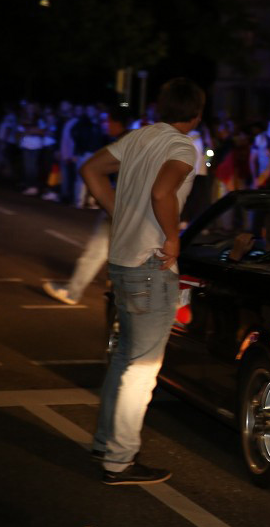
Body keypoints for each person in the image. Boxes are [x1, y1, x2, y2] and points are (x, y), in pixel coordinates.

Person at [80, 78, 203, 485]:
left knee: (124, 358)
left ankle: (105, 444)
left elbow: (91, 169)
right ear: (197, 113)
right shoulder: (184, 146)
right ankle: (120, 460)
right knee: (143, 368)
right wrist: (172, 236)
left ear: (161, 107)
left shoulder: (138, 138)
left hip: (122, 259)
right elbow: (162, 191)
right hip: (151, 264)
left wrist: (120, 212)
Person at [43, 107, 132, 305]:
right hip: (128, 207)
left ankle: (73, 292)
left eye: (109, 121)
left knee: (98, 252)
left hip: (119, 206)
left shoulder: (126, 143)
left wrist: (103, 196)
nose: (106, 125)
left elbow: (93, 168)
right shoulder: (136, 141)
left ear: (118, 123)